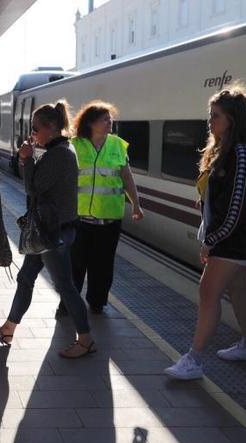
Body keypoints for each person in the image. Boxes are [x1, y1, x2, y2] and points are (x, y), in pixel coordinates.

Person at [165, 87, 246, 380]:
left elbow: (236, 207)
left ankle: (194, 360)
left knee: (208, 292)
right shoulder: (228, 151)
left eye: (216, 116)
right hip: (234, 237)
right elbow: (226, 197)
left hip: (234, 239)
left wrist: (212, 240)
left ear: (233, 120)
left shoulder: (240, 153)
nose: (210, 122)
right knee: (237, 287)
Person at [0, 102, 95, 358]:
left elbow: (34, 188)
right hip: (47, 231)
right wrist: (28, 159)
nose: (32, 134)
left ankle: (85, 339)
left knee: (65, 286)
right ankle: (8, 328)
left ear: (51, 128)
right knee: (26, 279)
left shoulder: (60, 154)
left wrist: (26, 159)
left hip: (53, 234)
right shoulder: (58, 150)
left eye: (35, 128)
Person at [65, 101, 144, 315]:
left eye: (110, 118)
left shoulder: (117, 145)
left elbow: (126, 176)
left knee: (103, 265)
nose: (110, 122)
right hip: (79, 219)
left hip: (109, 220)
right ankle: (68, 304)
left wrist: (136, 203)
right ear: (90, 122)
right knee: (75, 265)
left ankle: (97, 302)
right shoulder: (75, 145)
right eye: (105, 119)